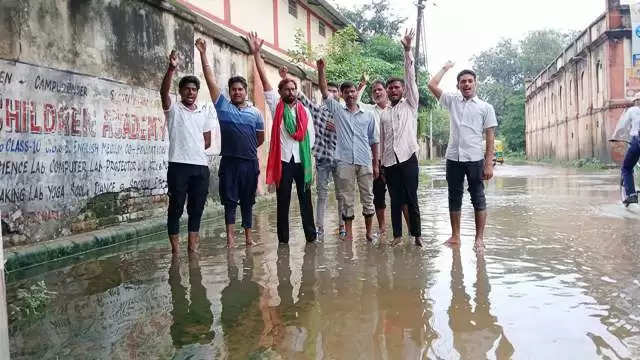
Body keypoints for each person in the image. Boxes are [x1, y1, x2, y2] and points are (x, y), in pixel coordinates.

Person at [194, 38, 265, 248]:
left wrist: (248, 149)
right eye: (233, 89)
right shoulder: (223, 107)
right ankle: (231, 239)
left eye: (240, 89)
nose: (236, 92)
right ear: (230, 92)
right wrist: (203, 54)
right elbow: (210, 80)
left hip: (249, 163)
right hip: (230, 163)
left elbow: (260, 138)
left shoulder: (255, 113)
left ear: (245, 91)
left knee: (248, 201)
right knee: (229, 202)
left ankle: (249, 237)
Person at [248, 32, 317, 244]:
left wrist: (309, 160)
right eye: (286, 89)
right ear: (280, 92)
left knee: (306, 202)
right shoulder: (276, 107)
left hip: (302, 162)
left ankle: (311, 238)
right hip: (284, 163)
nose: (291, 91)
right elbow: (264, 81)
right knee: (283, 203)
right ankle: (284, 242)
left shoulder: (305, 112)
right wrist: (256, 54)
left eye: (293, 88)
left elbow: (311, 139)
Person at [428, 61, 497, 253]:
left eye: (470, 81)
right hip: (453, 158)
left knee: (478, 197)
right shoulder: (451, 100)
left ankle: (479, 239)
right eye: (463, 82)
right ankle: (456, 236)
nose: (466, 84)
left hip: (475, 158)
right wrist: (445, 68)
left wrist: (488, 163)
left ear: (475, 84)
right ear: (458, 85)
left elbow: (490, 136)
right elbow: (431, 85)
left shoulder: (485, 107)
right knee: (454, 196)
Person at [277, 66, 345, 238]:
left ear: (338, 95)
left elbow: (353, 131)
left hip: (340, 159)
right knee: (320, 196)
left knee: (341, 195)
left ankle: (343, 226)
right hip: (321, 160)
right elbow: (300, 97)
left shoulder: (343, 114)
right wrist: (285, 77)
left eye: (334, 91)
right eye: (328, 90)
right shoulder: (316, 111)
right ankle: (319, 230)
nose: (330, 93)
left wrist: (338, 127)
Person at [317, 58, 380, 242]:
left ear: (356, 93)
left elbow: (374, 141)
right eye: (347, 92)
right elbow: (324, 91)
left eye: (353, 91)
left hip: (365, 162)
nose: (351, 94)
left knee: (368, 198)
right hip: (344, 162)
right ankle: (350, 235)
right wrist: (321, 70)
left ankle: (368, 233)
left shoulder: (368, 116)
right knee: (347, 200)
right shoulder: (337, 111)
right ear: (342, 96)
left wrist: (375, 164)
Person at [160, 45, 216, 254]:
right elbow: (163, 92)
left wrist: (194, 147)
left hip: (200, 167)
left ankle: (192, 246)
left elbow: (207, 141)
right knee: (175, 208)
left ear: (197, 92)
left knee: (197, 209)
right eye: (186, 89)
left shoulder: (203, 112)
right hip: (178, 166)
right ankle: (175, 251)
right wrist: (171, 69)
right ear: (181, 91)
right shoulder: (173, 110)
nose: (190, 92)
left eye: (194, 90)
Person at [379, 29, 423, 247]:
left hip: (408, 158)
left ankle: (417, 236)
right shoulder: (384, 113)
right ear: (387, 92)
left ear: (403, 89)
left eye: (397, 87)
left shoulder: (410, 105)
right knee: (395, 201)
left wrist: (407, 51)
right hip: (389, 162)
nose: (393, 90)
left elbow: (410, 75)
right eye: (390, 88)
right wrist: (381, 165)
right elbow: (383, 139)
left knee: (412, 199)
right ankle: (397, 236)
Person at [610, 92, 640, 205]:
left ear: (636, 101)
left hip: (637, 140)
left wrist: (615, 137)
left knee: (626, 168)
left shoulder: (632, 110)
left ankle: (631, 195)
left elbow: (622, 126)